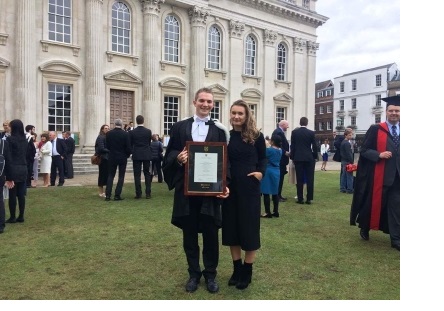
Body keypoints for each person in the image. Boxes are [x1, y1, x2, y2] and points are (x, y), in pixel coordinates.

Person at [162, 87, 229, 294]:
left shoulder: (220, 129)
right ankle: (193, 273)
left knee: (210, 233)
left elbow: (225, 160)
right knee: (189, 234)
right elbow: (171, 151)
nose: (206, 104)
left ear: (213, 104)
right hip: (186, 190)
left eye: (209, 101)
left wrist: (225, 184)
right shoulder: (180, 126)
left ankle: (210, 274)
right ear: (194, 102)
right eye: (202, 100)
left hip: (210, 191)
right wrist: (178, 158)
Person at [222, 100, 267, 290]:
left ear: (247, 115)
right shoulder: (226, 136)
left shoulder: (256, 136)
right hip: (231, 189)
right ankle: (236, 269)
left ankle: (247, 271)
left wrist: (260, 173)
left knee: (249, 230)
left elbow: (263, 158)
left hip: (250, 188)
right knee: (232, 229)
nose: (236, 116)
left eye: (240, 113)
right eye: (234, 113)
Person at [350, 95, 400, 251]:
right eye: (391, 110)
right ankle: (365, 227)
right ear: (386, 112)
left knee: (396, 207)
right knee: (373, 203)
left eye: (397, 111)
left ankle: (396, 239)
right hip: (380, 175)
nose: (394, 113)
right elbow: (363, 150)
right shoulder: (376, 129)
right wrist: (379, 155)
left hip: (398, 177)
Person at [4, 119, 29, 223]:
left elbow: (8, 157)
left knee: (12, 194)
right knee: (21, 194)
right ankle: (21, 216)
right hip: (23, 167)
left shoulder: (10, 140)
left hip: (13, 168)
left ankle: (13, 216)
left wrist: (8, 176)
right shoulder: (25, 140)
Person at [290, 117, 318, 204]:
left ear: (300, 122)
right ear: (307, 123)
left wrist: (292, 157)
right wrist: (315, 156)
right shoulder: (311, 133)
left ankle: (300, 198)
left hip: (298, 157)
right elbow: (314, 146)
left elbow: (293, 146)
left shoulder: (294, 132)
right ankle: (309, 198)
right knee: (310, 178)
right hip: (309, 157)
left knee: (299, 178)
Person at [105, 119, 131, 201]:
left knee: (110, 176)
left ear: (114, 124)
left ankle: (108, 195)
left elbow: (107, 146)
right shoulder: (125, 134)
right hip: (122, 157)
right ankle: (117, 195)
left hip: (112, 156)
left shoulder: (109, 133)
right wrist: (127, 155)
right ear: (122, 124)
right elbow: (128, 147)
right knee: (121, 176)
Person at [129, 115, 153, 199]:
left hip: (136, 154)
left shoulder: (132, 132)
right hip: (146, 154)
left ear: (136, 121)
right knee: (147, 173)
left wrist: (132, 152)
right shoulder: (148, 131)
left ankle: (138, 193)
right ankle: (148, 193)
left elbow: (131, 144)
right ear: (143, 121)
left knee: (137, 175)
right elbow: (149, 143)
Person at [260, 135, 282, 218]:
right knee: (275, 192)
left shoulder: (269, 150)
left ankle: (267, 212)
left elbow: (262, 154)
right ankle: (275, 211)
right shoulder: (280, 150)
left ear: (272, 141)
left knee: (266, 192)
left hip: (268, 170)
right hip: (276, 171)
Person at [272, 120, 290, 202]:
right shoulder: (278, 132)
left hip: (281, 159)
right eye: (287, 125)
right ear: (282, 125)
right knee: (279, 178)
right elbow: (277, 145)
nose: (288, 127)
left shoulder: (279, 131)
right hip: (280, 159)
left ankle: (278, 195)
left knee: (280, 178)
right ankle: (276, 196)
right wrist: (285, 152)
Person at [95, 124, 110, 197]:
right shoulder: (100, 137)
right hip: (103, 158)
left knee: (106, 175)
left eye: (108, 128)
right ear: (102, 129)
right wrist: (110, 150)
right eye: (105, 128)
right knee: (102, 175)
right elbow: (101, 148)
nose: (107, 129)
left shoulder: (107, 137)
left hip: (107, 158)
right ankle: (101, 192)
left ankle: (105, 191)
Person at [340, 128, 355, 194]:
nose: (350, 136)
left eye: (351, 135)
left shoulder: (343, 142)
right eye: (349, 135)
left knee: (344, 175)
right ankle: (350, 189)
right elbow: (349, 154)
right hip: (347, 161)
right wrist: (351, 161)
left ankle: (342, 188)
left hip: (343, 161)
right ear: (345, 135)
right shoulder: (347, 143)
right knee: (349, 176)